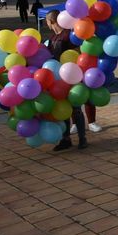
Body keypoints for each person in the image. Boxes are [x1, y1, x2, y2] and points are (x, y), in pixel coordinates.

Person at [45, 10, 87, 151]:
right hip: (57, 78)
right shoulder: (52, 38)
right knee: (62, 108)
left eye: (46, 21)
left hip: (72, 75)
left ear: (51, 21)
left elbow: (79, 52)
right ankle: (66, 139)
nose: (46, 24)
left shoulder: (69, 35)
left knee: (75, 108)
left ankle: (82, 138)